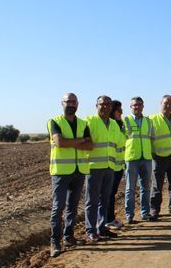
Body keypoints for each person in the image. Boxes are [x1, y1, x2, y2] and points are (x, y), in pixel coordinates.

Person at [47, 93, 93, 257]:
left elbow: (90, 146)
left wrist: (71, 142)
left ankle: (68, 236)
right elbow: (59, 143)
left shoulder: (83, 123)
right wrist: (80, 140)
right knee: (58, 207)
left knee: (72, 207)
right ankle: (55, 242)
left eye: (74, 102)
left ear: (78, 104)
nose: (71, 104)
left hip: (79, 170)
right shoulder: (54, 122)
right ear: (62, 103)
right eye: (68, 102)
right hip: (61, 172)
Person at [84, 95, 120, 243]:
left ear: (111, 107)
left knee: (104, 200)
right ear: (96, 105)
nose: (105, 107)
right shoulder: (89, 121)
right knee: (92, 201)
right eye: (102, 104)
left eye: (107, 104)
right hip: (94, 167)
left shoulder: (113, 124)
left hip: (109, 167)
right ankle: (90, 231)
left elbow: (118, 142)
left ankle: (102, 228)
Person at [123, 96, 154, 223]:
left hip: (146, 158)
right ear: (130, 107)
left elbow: (152, 137)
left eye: (139, 104)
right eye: (135, 105)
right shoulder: (125, 121)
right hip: (131, 158)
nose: (137, 107)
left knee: (145, 188)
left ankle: (145, 213)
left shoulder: (148, 121)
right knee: (130, 188)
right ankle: (129, 215)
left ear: (143, 106)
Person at [105, 100, 126, 230]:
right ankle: (108, 219)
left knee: (111, 193)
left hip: (118, 165)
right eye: (119, 110)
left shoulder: (119, 124)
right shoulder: (111, 125)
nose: (121, 113)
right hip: (110, 165)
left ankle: (110, 218)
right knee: (108, 194)